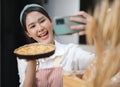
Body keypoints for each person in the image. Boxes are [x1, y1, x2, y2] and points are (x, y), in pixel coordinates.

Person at [17, 3, 94, 87]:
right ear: (28, 34)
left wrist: (96, 34)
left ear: (50, 21)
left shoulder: (70, 52)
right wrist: (31, 62)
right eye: (32, 26)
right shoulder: (24, 58)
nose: (40, 28)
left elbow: (101, 64)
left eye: (42, 21)